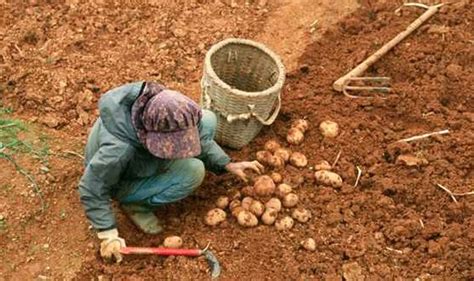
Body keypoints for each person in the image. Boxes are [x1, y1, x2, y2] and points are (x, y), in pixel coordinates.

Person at [78, 81, 263, 262]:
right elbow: (92, 186)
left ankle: (150, 188)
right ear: (150, 133)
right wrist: (108, 234)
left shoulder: (155, 104)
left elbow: (199, 133)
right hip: (120, 178)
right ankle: (136, 205)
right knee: (193, 170)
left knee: (207, 119)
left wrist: (226, 164)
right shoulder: (119, 150)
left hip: (134, 156)